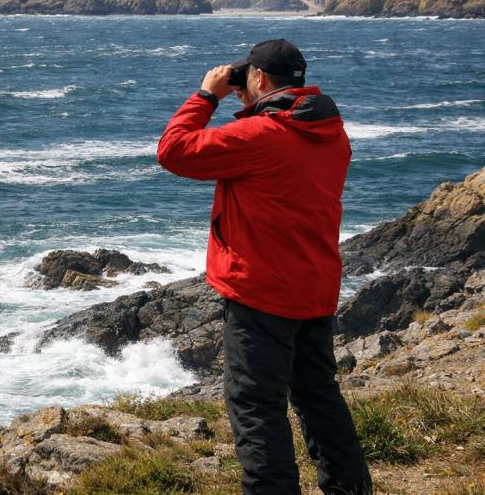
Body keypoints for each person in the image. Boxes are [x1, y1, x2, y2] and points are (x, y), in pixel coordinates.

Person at [156, 38, 372, 495]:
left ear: (258, 77)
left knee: (257, 407)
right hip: (314, 287)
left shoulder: (261, 136)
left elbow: (173, 150)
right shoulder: (332, 134)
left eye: (247, 76)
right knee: (319, 398)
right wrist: (249, 99)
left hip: (262, 293)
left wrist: (207, 95)